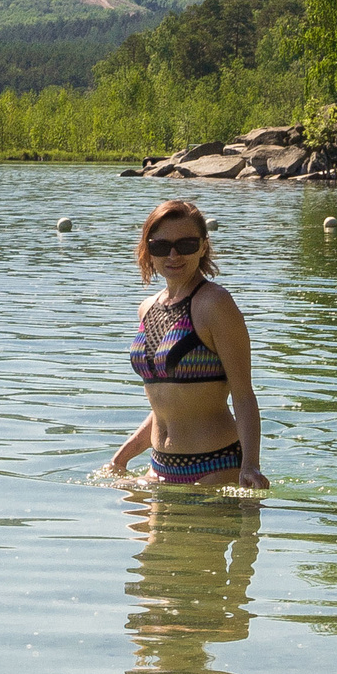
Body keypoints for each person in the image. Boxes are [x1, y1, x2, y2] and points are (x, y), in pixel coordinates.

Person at [110, 199, 268, 489]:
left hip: (214, 465)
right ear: (148, 250)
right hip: (158, 467)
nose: (173, 255)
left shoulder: (215, 304)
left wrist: (250, 467)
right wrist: (122, 457)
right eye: (161, 246)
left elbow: (243, 395)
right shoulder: (147, 307)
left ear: (203, 247)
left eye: (185, 245)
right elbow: (167, 402)